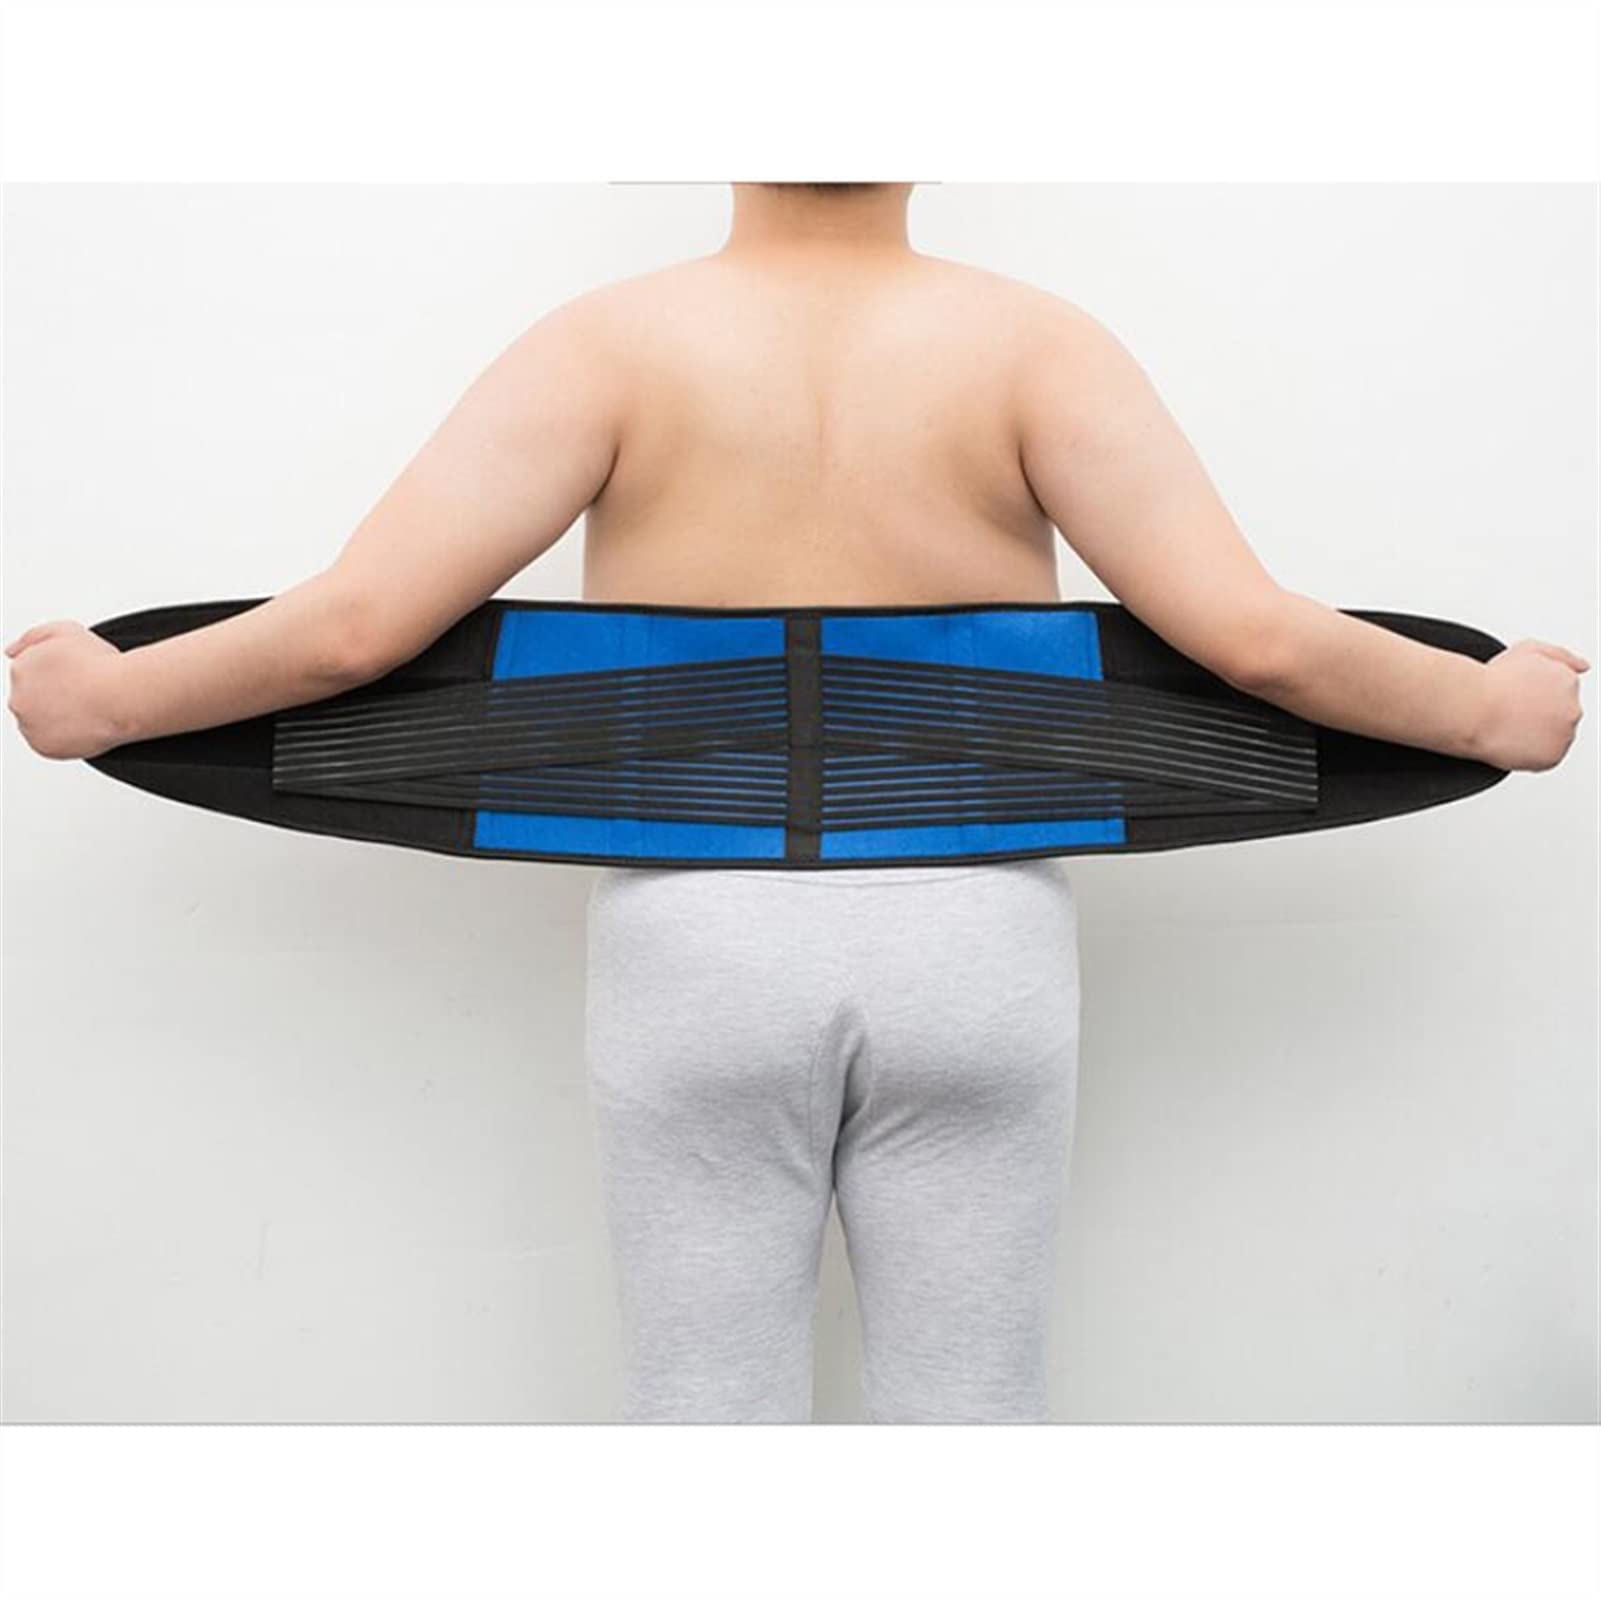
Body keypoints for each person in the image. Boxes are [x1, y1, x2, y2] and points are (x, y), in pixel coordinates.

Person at [6, 182, 1587, 1423]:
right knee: (970, 1415)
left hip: (697, 943)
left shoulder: (610, 343)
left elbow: (358, 628)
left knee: (704, 1415)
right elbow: (1251, 639)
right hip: (975, 939)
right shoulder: (1032, 344)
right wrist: (1483, 710)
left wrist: (117, 696)